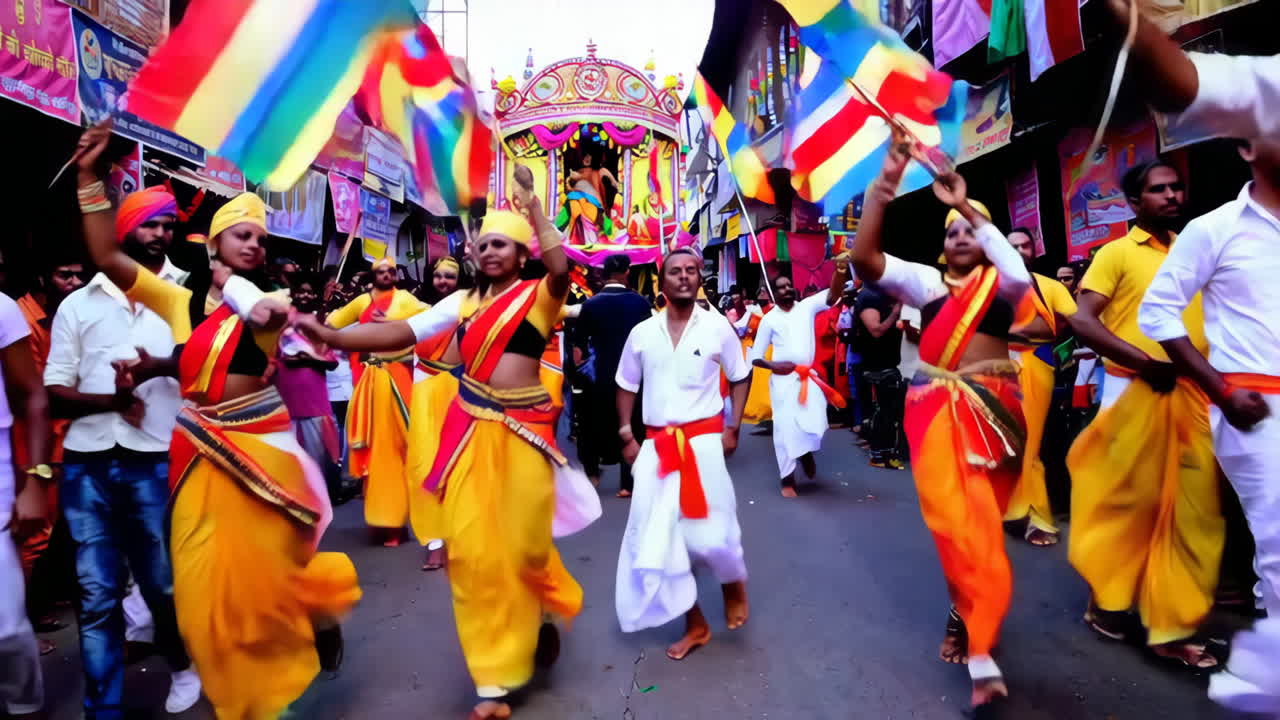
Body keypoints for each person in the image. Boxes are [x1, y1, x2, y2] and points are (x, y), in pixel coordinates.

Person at [73, 121, 360, 720]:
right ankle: (243, 672)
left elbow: (251, 310)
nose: (254, 244)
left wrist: (230, 281)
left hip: (261, 450)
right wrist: (86, 179)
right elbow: (105, 254)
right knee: (203, 586)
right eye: (241, 237)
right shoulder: (179, 301)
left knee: (260, 580)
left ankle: (278, 676)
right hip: (197, 452)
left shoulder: (270, 306)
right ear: (215, 246)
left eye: (260, 238)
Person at [295, 165, 600, 720]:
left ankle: (542, 611)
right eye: (483, 244)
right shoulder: (459, 305)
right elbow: (402, 333)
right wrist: (334, 335)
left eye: (500, 244)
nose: (488, 252)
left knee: (524, 550)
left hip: (524, 437)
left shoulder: (539, 296)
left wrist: (533, 208)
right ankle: (494, 680)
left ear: (520, 253)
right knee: (474, 555)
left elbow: (560, 268)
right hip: (468, 433)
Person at [852, 141, 1031, 706]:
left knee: (983, 528)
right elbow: (865, 262)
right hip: (934, 416)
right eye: (951, 229)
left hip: (995, 416)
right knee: (955, 526)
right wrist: (884, 187)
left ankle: (966, 613)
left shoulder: (1005, 287)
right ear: (939, 244)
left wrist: (967, 204)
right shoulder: (926, 286)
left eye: (969, 231)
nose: (959, 237)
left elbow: (1017, 268)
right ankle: (980, 650)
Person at [44, 186, 202, 718]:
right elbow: (54, 390)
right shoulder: (77, 303)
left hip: (158, 457)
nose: (160, 234)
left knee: (161, 584)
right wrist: (114, 399)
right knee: (95, 595)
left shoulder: (187, 294)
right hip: (87, 461)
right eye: (149, 224)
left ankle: (181, 663)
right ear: (123, 231)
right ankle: (102, 709)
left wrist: (155, 369)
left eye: (167, 226)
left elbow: (206, 368)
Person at [1139, 138, 1280, 713]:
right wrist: (1221, 390)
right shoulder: (1215, 228)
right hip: (1253, 406)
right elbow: (1157, 312)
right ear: (1249, 147)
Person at [1065, 160, 1221, 668]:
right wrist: (1144, 363)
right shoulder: (1115, 253)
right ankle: (1109, 602)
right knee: (1130, 507)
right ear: (1135, 203)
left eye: (1177, 186)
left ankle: (1171, 623)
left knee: (1193, 510)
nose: (1172, 195)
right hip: (1133, 392)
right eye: (1159, 190)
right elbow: (1080, 321)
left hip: (1195, 398)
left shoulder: (1193, 249)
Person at [613, 246, 751, 661]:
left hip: (705, 445)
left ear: (699, 278)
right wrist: (627, 435)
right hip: (657, 449)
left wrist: (734, 426)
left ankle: (733, 584)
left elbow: (741, 376)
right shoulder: (642, 333)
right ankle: (696, 625)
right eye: (676, 271)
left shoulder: (717, 328)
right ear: (662, 280)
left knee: (714, 534)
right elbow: (625, 384)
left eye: (692, 270)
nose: (685, 276)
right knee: (659, 543)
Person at [325, 256, 427, 545]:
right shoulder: (361, 302)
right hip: (368, 382)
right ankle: (380, 521)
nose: (386, 275)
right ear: (373, 276)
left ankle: (396, 521)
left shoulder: (406, 300)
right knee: (374, 450)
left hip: (399, 379)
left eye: (391, 271)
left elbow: (433, 321)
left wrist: (399, 330)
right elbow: (331, 323)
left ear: (396, 275)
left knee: (398, 449)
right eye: (380, 271)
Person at [1004, 228, 1078, 546]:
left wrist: (1020, 330)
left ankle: (1037, 515)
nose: (1020, 250)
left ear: (1035, 250)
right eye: (1013, 246)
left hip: (1035, 367)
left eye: (1025, 245)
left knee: (1029, 444)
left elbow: (1068, 324)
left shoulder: (1049, 286)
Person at [748, 269, 846, 497]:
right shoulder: (769, 320)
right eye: (781, 287)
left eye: (789, 285)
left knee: (813, 422)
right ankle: (787, 479)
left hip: (808, 379)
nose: (787, 289)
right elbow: (756, 356)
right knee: (784, 429)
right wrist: (774, 366)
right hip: (783, 382)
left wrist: (839, 271)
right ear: (773, 293)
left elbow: (832, 296)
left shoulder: (807, 306)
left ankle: (804, 453)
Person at [0, 290, 52, 720]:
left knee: (8, 629)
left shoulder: (1, 308)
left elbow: (32, 396)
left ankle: (24, 706)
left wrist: (35, 477)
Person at [574, 254, 651, 496]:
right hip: (633, 375)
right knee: (632, 423)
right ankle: (628, 483)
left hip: (600, 375)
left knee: (591, 423)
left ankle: (593, 472)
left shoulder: (591, 304)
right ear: (627, 272)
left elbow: (578, 348)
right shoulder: (640, 303)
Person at [408, 256, 463, 571]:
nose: (444, 282)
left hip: (461, 391)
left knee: (460, 466)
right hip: (425, 394)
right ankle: (434, 540)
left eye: (450, 277)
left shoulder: (466, 308)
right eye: (439, 276)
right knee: (425, 466)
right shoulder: (414, 308)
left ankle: (459, 534)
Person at [276, 272, 346, 507]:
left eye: (309, 291)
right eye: (301, 291)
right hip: (286, 403)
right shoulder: (283, 320)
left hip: (315, 404)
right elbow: (270, 355)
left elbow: (331, 361)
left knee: (317, 460)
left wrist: (308, 358)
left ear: (315, 294)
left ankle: (318, 502)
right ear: (293, 293)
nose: (305, 295)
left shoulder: (319, 324)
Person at [854, 283, 904, 468]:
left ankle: (885, 455)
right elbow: (875, 330)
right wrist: (895, 313)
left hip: (887, 364)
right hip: (877, 366)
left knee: (889, 413)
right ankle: (878, 456)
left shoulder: (880, 295)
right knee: (883, 413)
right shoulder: (869, 296)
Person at [736, 286, 773, 426]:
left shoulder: (776, 311)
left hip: (774, 350)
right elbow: (741, 326)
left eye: (765, 292)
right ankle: (764, 413)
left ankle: (772, 412)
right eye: (760, 292)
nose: (762, 294)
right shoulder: (753, 311)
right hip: (758, 349)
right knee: (758, 380)